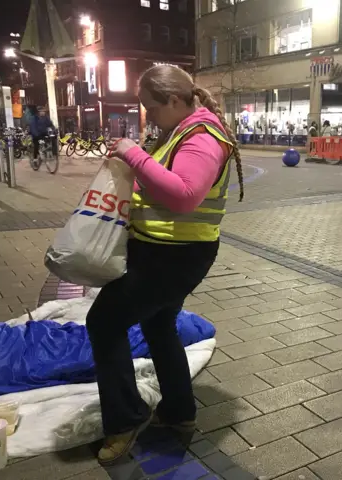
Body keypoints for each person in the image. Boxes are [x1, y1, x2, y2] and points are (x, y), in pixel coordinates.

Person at [86, 64, 244, 466]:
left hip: (173, 258)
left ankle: (124, 421)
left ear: (174, 100)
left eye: (151, 108)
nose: (148, 116)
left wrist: (135, 155)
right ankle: (178, 412)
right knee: (158, 325)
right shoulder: (182, 130)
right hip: (164, 252)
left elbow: (186, 195)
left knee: (104, 321)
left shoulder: (202, 137)